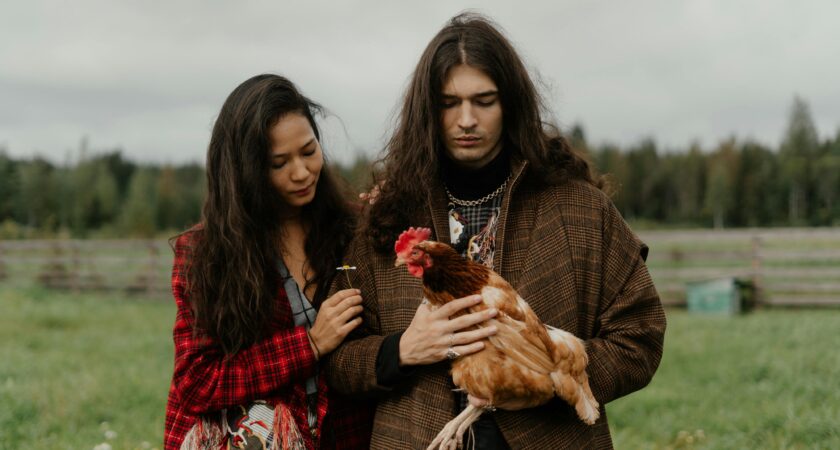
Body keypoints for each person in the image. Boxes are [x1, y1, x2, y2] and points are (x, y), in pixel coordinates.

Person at [325, 13, 666, 449]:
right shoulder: (386, 216)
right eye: (449, 103)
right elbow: (337, 359)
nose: (466, 119)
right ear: (428, 110)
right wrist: (400, 351)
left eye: (484, 100)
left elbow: (641, 336)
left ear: (510, 104)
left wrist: (548, 379)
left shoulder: (579, 210)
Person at [164, 74, 373, 450]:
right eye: (279, 163)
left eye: (309, 151)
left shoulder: (354, 229)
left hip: (345, 436)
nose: (301, 172)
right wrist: (309, 344)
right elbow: (197, 381)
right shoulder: (206, 253)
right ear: (246, 171)